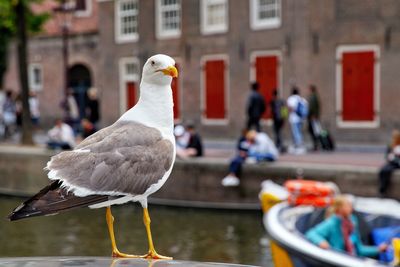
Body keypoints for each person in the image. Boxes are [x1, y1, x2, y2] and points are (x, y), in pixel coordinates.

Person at [306, 195, 387, 258]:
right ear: (339, 209)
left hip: (352, 259)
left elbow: (360, 249)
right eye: (347, 205)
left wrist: (378, 249)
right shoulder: (332, 223)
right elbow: (311, 233)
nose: (351, 208)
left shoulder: (352, 222)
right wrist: (321, 242)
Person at [378, 130, 400, 197]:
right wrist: (390, 157)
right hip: (392, 163)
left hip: (397, 163)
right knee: (383, 170)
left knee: (387, 170)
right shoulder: (391, 146)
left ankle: (383, 190)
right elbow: (387, 155)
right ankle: (382, 189)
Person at [287, 87, 307, 154]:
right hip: (301, 118)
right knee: (299, 132)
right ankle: (296, 146)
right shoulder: (301, 99)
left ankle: (299, 147)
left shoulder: (291, 99)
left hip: (294, 119)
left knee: (296, 133)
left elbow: (290, 109)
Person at [307, 85, 321, 151]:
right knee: (315, 131)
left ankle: (315, 145)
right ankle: (316, 145)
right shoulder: (316, 96)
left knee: (313, 131)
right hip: (314, 117)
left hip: (312, 117)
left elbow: (311, 107)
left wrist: (312, 115)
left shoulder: (312, 97)